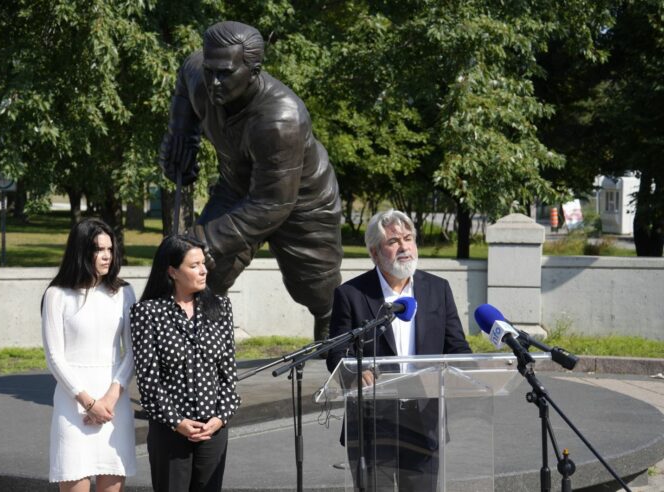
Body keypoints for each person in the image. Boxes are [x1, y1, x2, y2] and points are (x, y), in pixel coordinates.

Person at [159, 20, 342, 341]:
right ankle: (203, 362)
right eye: (210, 70)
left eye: (226, 73)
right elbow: (185, 89)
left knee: (316, 288)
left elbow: (272, 204)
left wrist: (204, 239)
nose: (214, 81)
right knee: (203, 277)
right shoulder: (197, 72)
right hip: (237, 187)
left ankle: (340, 350)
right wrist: (181, 137)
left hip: (301, 199)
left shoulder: (280, 118)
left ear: (254, 70)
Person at [326, 209, 472, 491]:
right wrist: (356, 375)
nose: (404, 247)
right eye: (393, 241)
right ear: (374, 252)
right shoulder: (351, 295)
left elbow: (458, 349)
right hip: (371, 427)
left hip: (423, 424)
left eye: (408, 238)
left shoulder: (438, 289)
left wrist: (457, 371)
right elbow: (336, 355)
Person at [131, 235, 241, 492]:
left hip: (213, 430)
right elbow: (148, 380)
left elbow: (228, 374)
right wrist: (177, 421)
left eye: (203, 263)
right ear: (172, 271)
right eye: (194, 265)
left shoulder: (221, 307)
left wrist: (220, 417)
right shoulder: (147, 313)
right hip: (170, 433)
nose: (203, 270)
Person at [41, 218, 137, 491]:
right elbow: (54, 356)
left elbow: (131, 352)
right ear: (82, 251)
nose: (107, 255)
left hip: (113, 404)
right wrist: (87, 402)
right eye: (98, 249)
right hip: (72, 405)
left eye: (110, 248)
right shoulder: (57, 295)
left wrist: (108, 400)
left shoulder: (123, 292)